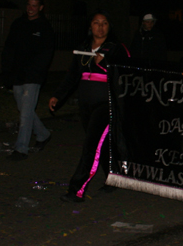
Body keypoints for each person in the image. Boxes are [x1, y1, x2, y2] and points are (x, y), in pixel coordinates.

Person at [50, 11, 131, 202]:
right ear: (90, 26)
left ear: (109, 27)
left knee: (90, 146)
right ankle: (115, 178)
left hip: (106, 104)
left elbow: (127, 74)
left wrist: (106, 63)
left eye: (104, 23)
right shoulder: (83, 48)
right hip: (86, 104)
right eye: (96, 23)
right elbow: (72, 76)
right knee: (100, 146)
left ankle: (76, 190)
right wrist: (57, 96)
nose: (100, 27)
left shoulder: (116, 48)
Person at [1, 0, 55, 160]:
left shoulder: (44, 27)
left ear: (40, 8)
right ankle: (43, 134)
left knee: (25, 113)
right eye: (28, 5)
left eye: (34, 5)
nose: (30, 8)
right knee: (24, 108)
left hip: (33, 75)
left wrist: (37, 71)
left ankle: (21, 148)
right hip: (17, 73)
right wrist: (7, 70)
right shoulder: (18, 24)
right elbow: (9, 48)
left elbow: (46, 53)